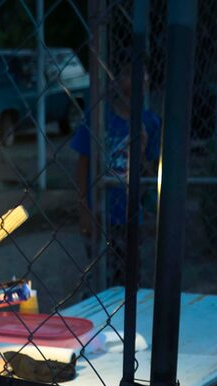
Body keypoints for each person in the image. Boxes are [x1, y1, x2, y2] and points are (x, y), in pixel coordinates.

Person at [70, 66, 161, 285]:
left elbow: (151, 176)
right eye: (130, 73)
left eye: (144, 80)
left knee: (129, 278)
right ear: (116, 81)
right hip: (100, 213)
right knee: (101, 278)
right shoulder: (98, 118)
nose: (139, 83)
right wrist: (84, 210)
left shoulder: (150, 123)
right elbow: (83, 166)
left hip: (131, 215)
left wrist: (141, 152)